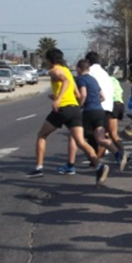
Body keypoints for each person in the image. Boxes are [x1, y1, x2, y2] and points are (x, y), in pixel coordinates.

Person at [27, 48, 107, 181]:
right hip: (74, 108)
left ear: (49, 60)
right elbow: (77, 94)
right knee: (80, 141)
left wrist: (58, 99)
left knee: (41, 135)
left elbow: (65, 82)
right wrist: (60, 97)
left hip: (63, 109)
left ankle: (38, 168)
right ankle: (99, 166)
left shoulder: (54, 70)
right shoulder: (68, 72)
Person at [63, 59, 126, 175]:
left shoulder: (81, 79)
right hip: (99, 111)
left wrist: (79, 105)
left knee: (74, 136)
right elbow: (103, 97)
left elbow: (83, 94)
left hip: (89, 111)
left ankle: (71, 165)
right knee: (100, 138)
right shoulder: (93, 80)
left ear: (78, 69)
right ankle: (118, 154)